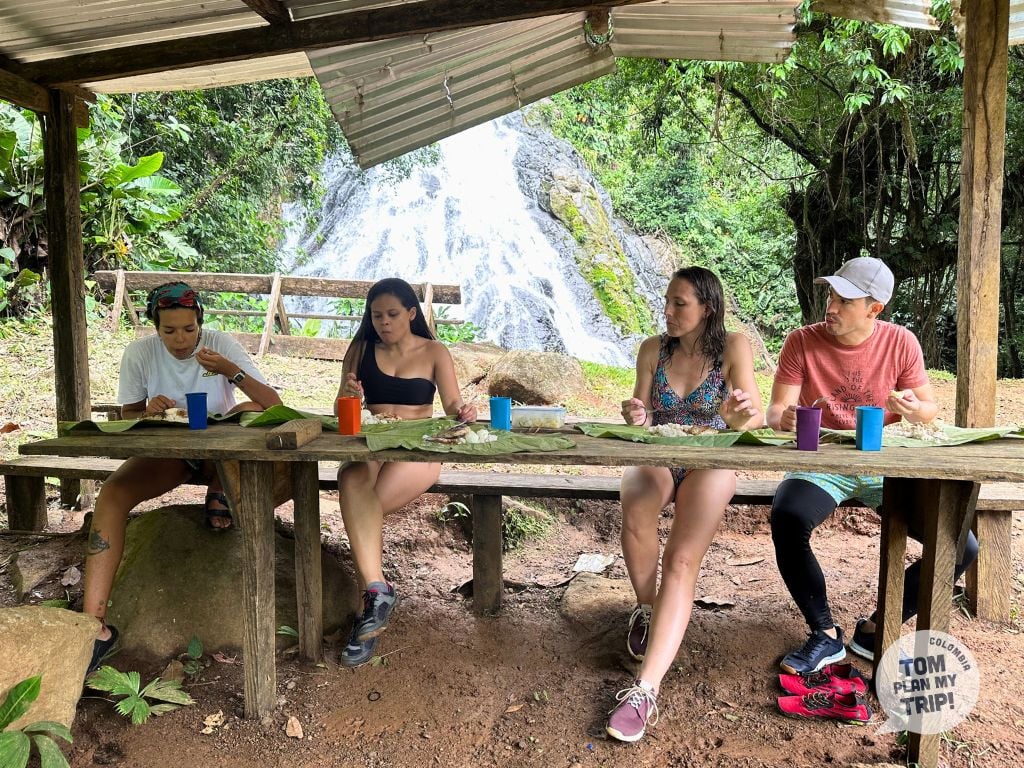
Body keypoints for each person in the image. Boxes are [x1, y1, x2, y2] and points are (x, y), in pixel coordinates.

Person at [766, 257, 978, 676]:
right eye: (831, 294)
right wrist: (788, 416)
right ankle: (824, 635)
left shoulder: (901, 342)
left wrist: (915, 410)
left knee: (960, 544)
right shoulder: (801, 341)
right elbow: (776, 410)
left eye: (844, 300)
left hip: (888, 465)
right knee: (787, 517)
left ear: (873, 308)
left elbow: (929, 408)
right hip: (824, 459)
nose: (830, 306)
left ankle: (876, 628)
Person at [84, 281, 282, 673]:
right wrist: (147, 411)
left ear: (200, 322)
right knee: (112, 494)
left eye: (188, 329)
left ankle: (219, 484)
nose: (180, 340)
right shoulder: (140, 353)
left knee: (248, 411)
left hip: (222, 452)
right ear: (155, 327)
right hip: (170, 453)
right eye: (168, 330)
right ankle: (94, 628)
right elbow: (127, 414)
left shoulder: (219, 344)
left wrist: (230, 371)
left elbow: (272, 403)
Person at [606, 266, 763, 742]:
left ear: (706, 309)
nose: (669, 312)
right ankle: (648, 608)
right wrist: (636, 413)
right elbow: (640, 414)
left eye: (680, 304)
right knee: (635, 511)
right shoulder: (653, 349)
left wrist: (734, 415)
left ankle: (644, 689)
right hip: (658, 455)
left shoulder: (733, 346)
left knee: (680, 558)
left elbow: (750, 412)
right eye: (667, 302)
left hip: (711, 460)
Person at [336, 277, 476, 667]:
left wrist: (464, 413)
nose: (384, 322)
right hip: (375, 441)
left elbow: (452, 407)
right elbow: (341, 411)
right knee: (351, 478)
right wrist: (349, 396)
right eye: (377, 315)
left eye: (393, 314)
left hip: (424, 444)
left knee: (363, 507)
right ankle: (377, 590)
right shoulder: (361, 349)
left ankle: (371, 602)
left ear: (412, 314)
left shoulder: (434, 351)